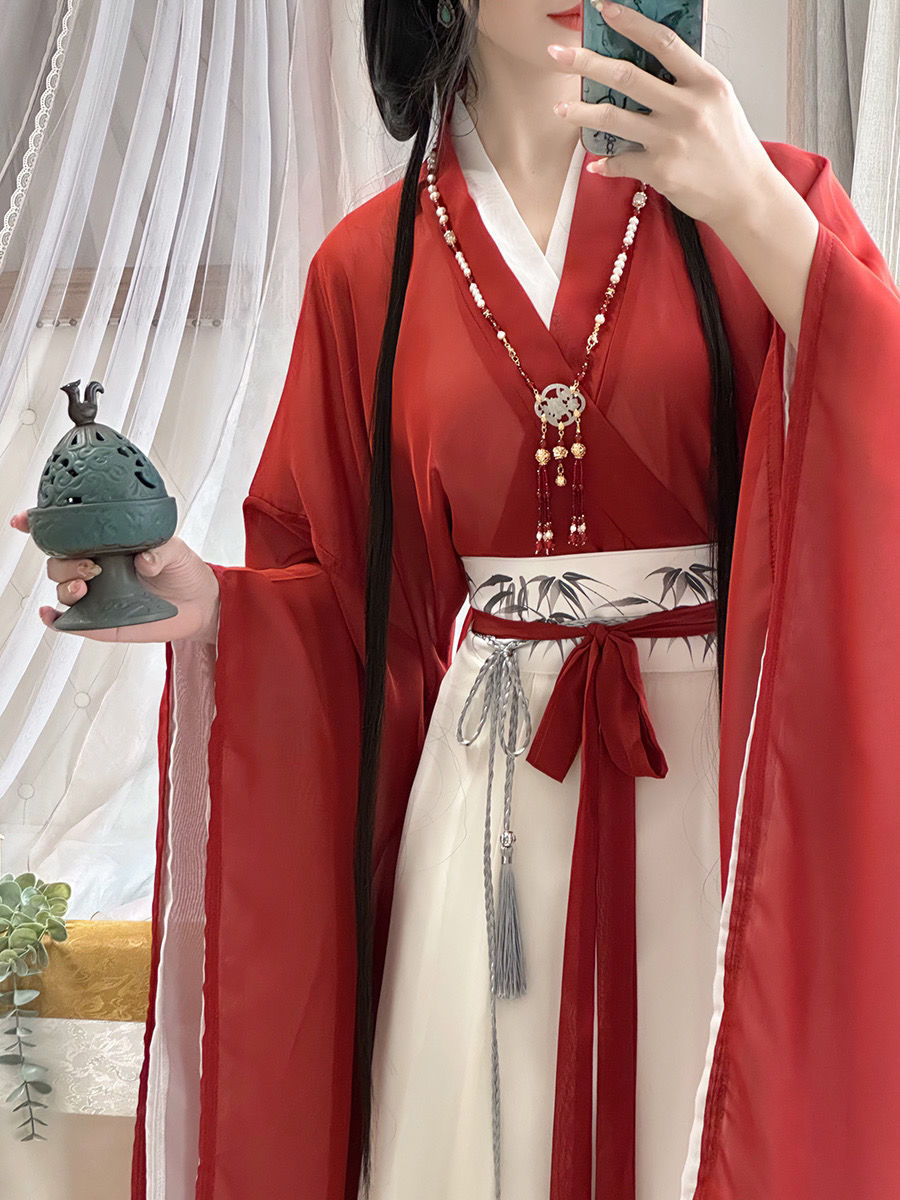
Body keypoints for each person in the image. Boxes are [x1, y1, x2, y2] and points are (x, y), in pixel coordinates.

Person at [10, 1, 900, 1197]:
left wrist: (747, 202)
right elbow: (349, 601)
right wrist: (213, 606)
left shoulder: (766, 195)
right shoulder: (366, 268)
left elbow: (875, 438)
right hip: (490, 797)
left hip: (714, 800)